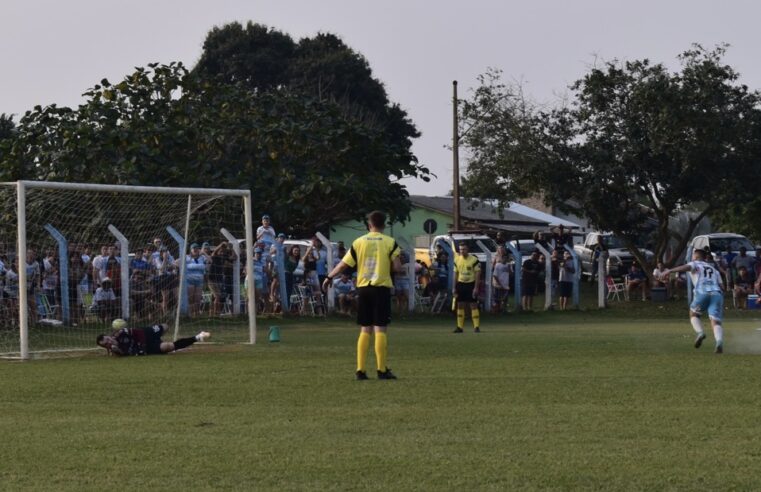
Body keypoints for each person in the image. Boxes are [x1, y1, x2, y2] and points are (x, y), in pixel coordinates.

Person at [323, 210, 402, 380]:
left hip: (364, 289)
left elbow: (344, 265)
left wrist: (329, 277)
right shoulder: (390, 242)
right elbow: (397, 267)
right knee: (380, 328)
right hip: (381, 289)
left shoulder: (359, 242)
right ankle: (381, 370)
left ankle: (360, 370)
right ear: (384, 224)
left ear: (369, 224)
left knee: (365, 328)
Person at [660, 248, 725, 353]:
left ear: (696, 257)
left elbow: (687, 267)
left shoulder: (695, 263)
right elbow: (722, 287)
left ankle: (700, 333)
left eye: (693, 256)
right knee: (716, 320)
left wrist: (670, 270)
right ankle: (719, 342)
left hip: (703, 293)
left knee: (694, 314)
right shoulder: (714, 270)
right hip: (717, 294)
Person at [96, 319, 210, 356]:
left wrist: (141, 344)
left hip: (146, 334)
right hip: (147, 348)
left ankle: (159, 337)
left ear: (108, 336)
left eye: (107, 339)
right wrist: (117, 351)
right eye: (106, 344)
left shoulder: (120, 333)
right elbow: (122, 353)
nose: (108, 342)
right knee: (168, 346)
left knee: (165, 326)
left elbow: (138, 332)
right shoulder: (116, 350)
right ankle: (198, 337)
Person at [453, 242, 481, 333]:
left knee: (473, 305)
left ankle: (476, 327)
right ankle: (459, 327)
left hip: (471, 284)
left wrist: (476, 288)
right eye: (460, 249)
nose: (462, 251)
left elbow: (478, 274)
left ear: (467, 250)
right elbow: (455, 274)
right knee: (460, 305)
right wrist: (454, 287)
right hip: (461, 284)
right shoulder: (457, 259)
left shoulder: (474, 260)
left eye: (464, 249)